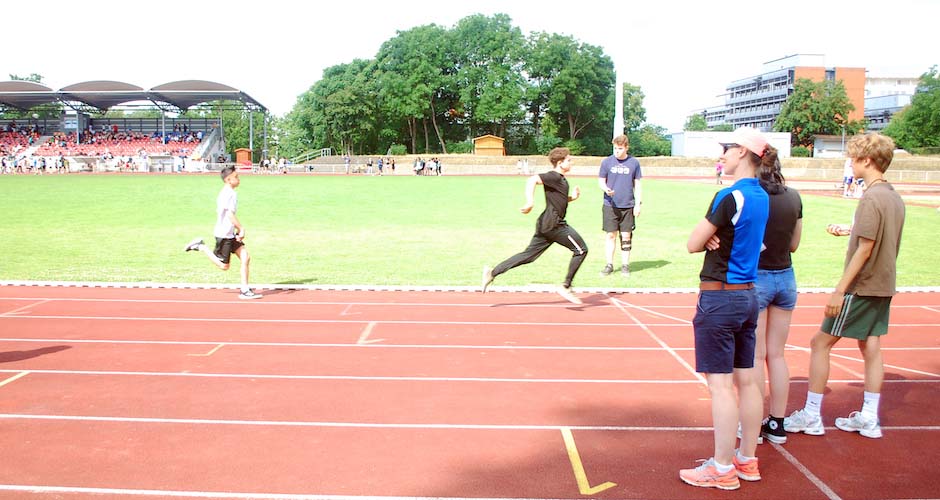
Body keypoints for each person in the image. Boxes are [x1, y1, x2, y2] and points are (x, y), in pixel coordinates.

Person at [784, 133, 905, 440]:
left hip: (861, 286)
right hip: (883, 282)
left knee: (820, 343)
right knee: (871, 345)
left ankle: (812, 414)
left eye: (853, 158)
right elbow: (876, 235)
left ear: (867, 160)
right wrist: (849, 231)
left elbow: (866, 248)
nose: (850, 164)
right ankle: (868, 417)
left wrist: (840, 289)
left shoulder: (870, 197)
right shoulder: (892, 196)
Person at [680, 127, 771, 490]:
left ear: (743, 153)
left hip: (720, 297)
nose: (722, 155)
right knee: (747, 382)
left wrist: (708, 240)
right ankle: (747, 460)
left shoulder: (729, 195)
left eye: (727, 149)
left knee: (720, 388)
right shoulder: (763, 195)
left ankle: (720, 467)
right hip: (749, 295)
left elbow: (692, 243)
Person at [481, 147, 588, 305]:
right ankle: (566, 285)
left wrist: (573, 197)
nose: (571, 162)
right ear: (560, 163)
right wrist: (530, 201)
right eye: (569, 160)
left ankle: (492, 272)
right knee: (581, 250)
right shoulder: (554, 176)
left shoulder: (561, 179)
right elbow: (532, 180)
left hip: (546, 223)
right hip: (554, 224)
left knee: (528, 256)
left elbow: (558, 199)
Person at [748, 156, 803, 445]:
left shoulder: (754, 197)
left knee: (755, 356)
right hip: (786, 276)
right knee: (777, 355)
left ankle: (754, 424)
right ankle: (777, 423)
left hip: (758, 277)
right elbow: (794, 243)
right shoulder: (794, 197)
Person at [184, 166, 262, 300]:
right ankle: (201, 247)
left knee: (245, 257)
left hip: (230, 233)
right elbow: (230, 215)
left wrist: (236, 230)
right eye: (236, 177)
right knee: (224, 266)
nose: (239, 179)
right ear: (228, 180)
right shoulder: (229, 194)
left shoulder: (228, 192)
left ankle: (245, 290)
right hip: (224, 234)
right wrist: (241, 228)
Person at [597, 134, 642, 277]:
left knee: (626, 236)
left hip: (628, 205)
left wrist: (638, 204)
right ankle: (609, 264)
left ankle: (625, 265)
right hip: (610, 205)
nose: (617, 151)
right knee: (611, 235)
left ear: (626, 147)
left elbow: (638, 185)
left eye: (620, 148)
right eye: (615, 148)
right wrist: (606, 189)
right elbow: (601, 181)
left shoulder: (634, 163)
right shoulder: (607, 162)